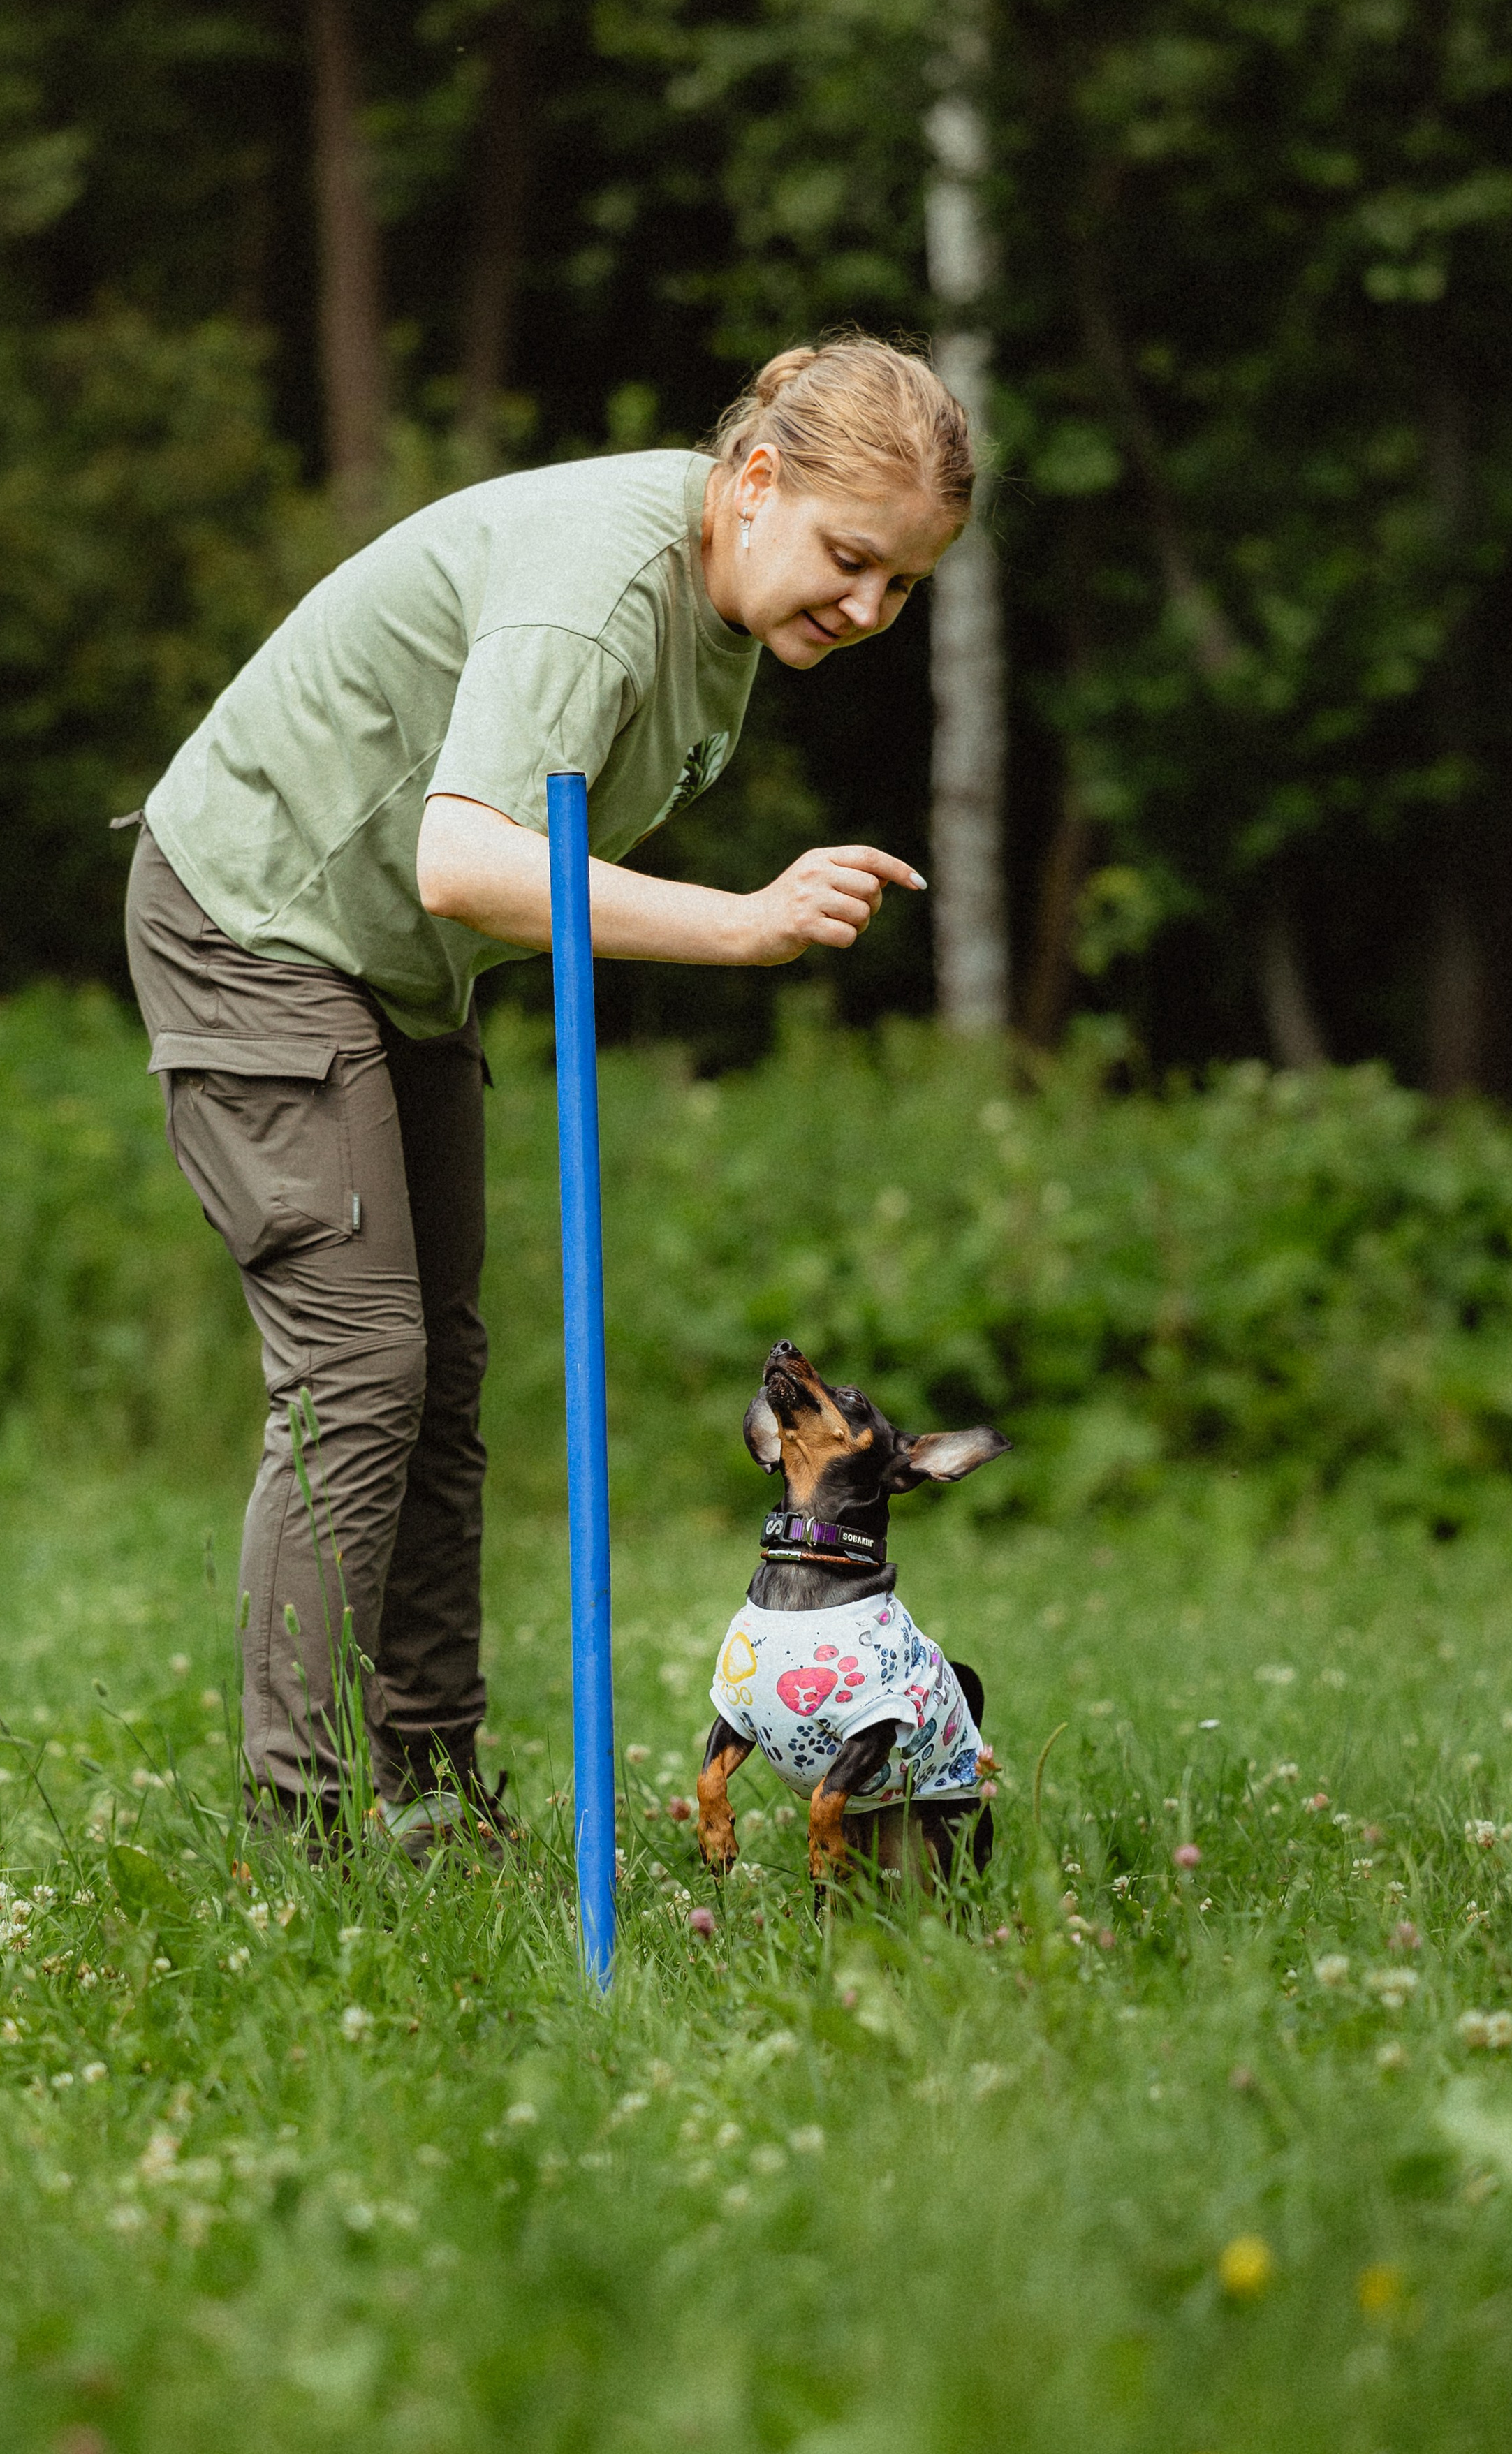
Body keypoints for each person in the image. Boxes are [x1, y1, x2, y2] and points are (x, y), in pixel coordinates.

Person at [123, 331, 972, 1858]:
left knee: (438, 1380)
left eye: (900, 586)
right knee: (361, 1373)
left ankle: (430, 1796)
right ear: (755, 481)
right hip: (251, 917)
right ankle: (294, 1834)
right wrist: (745, 920)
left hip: (395, 969)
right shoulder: (602, 586)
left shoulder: (728, 607)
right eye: (849, 560)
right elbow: (467, 858)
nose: (865, 608)